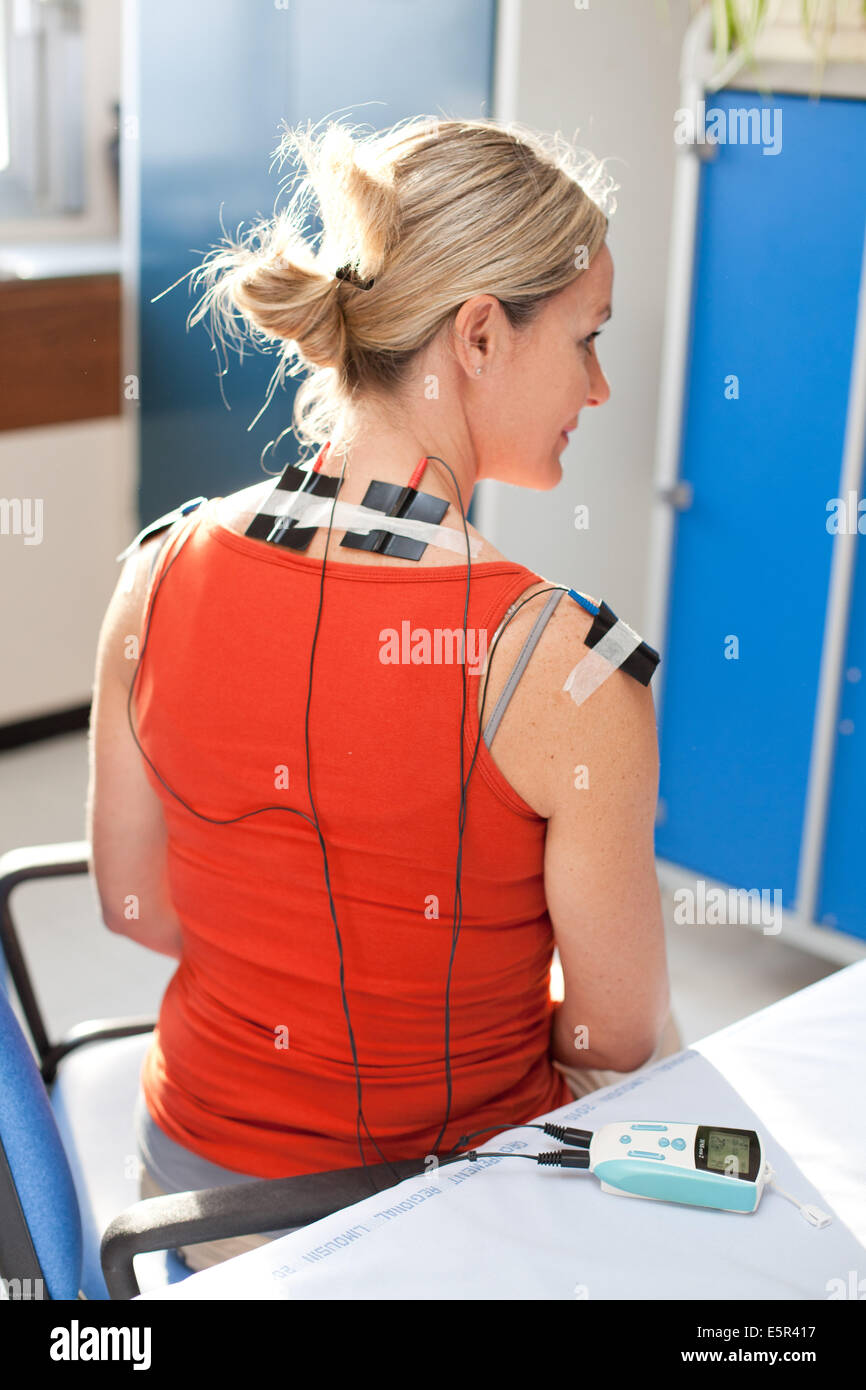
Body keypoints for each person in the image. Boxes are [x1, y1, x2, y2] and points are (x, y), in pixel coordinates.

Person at [86, 116, 679, 1274]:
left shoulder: (154, 571)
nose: (599, 387)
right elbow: (616, 1031)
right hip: (418, 1231)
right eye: (586, 339)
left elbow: (136, 910)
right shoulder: (565, 665)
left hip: (187, 1190)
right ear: (475, 337)